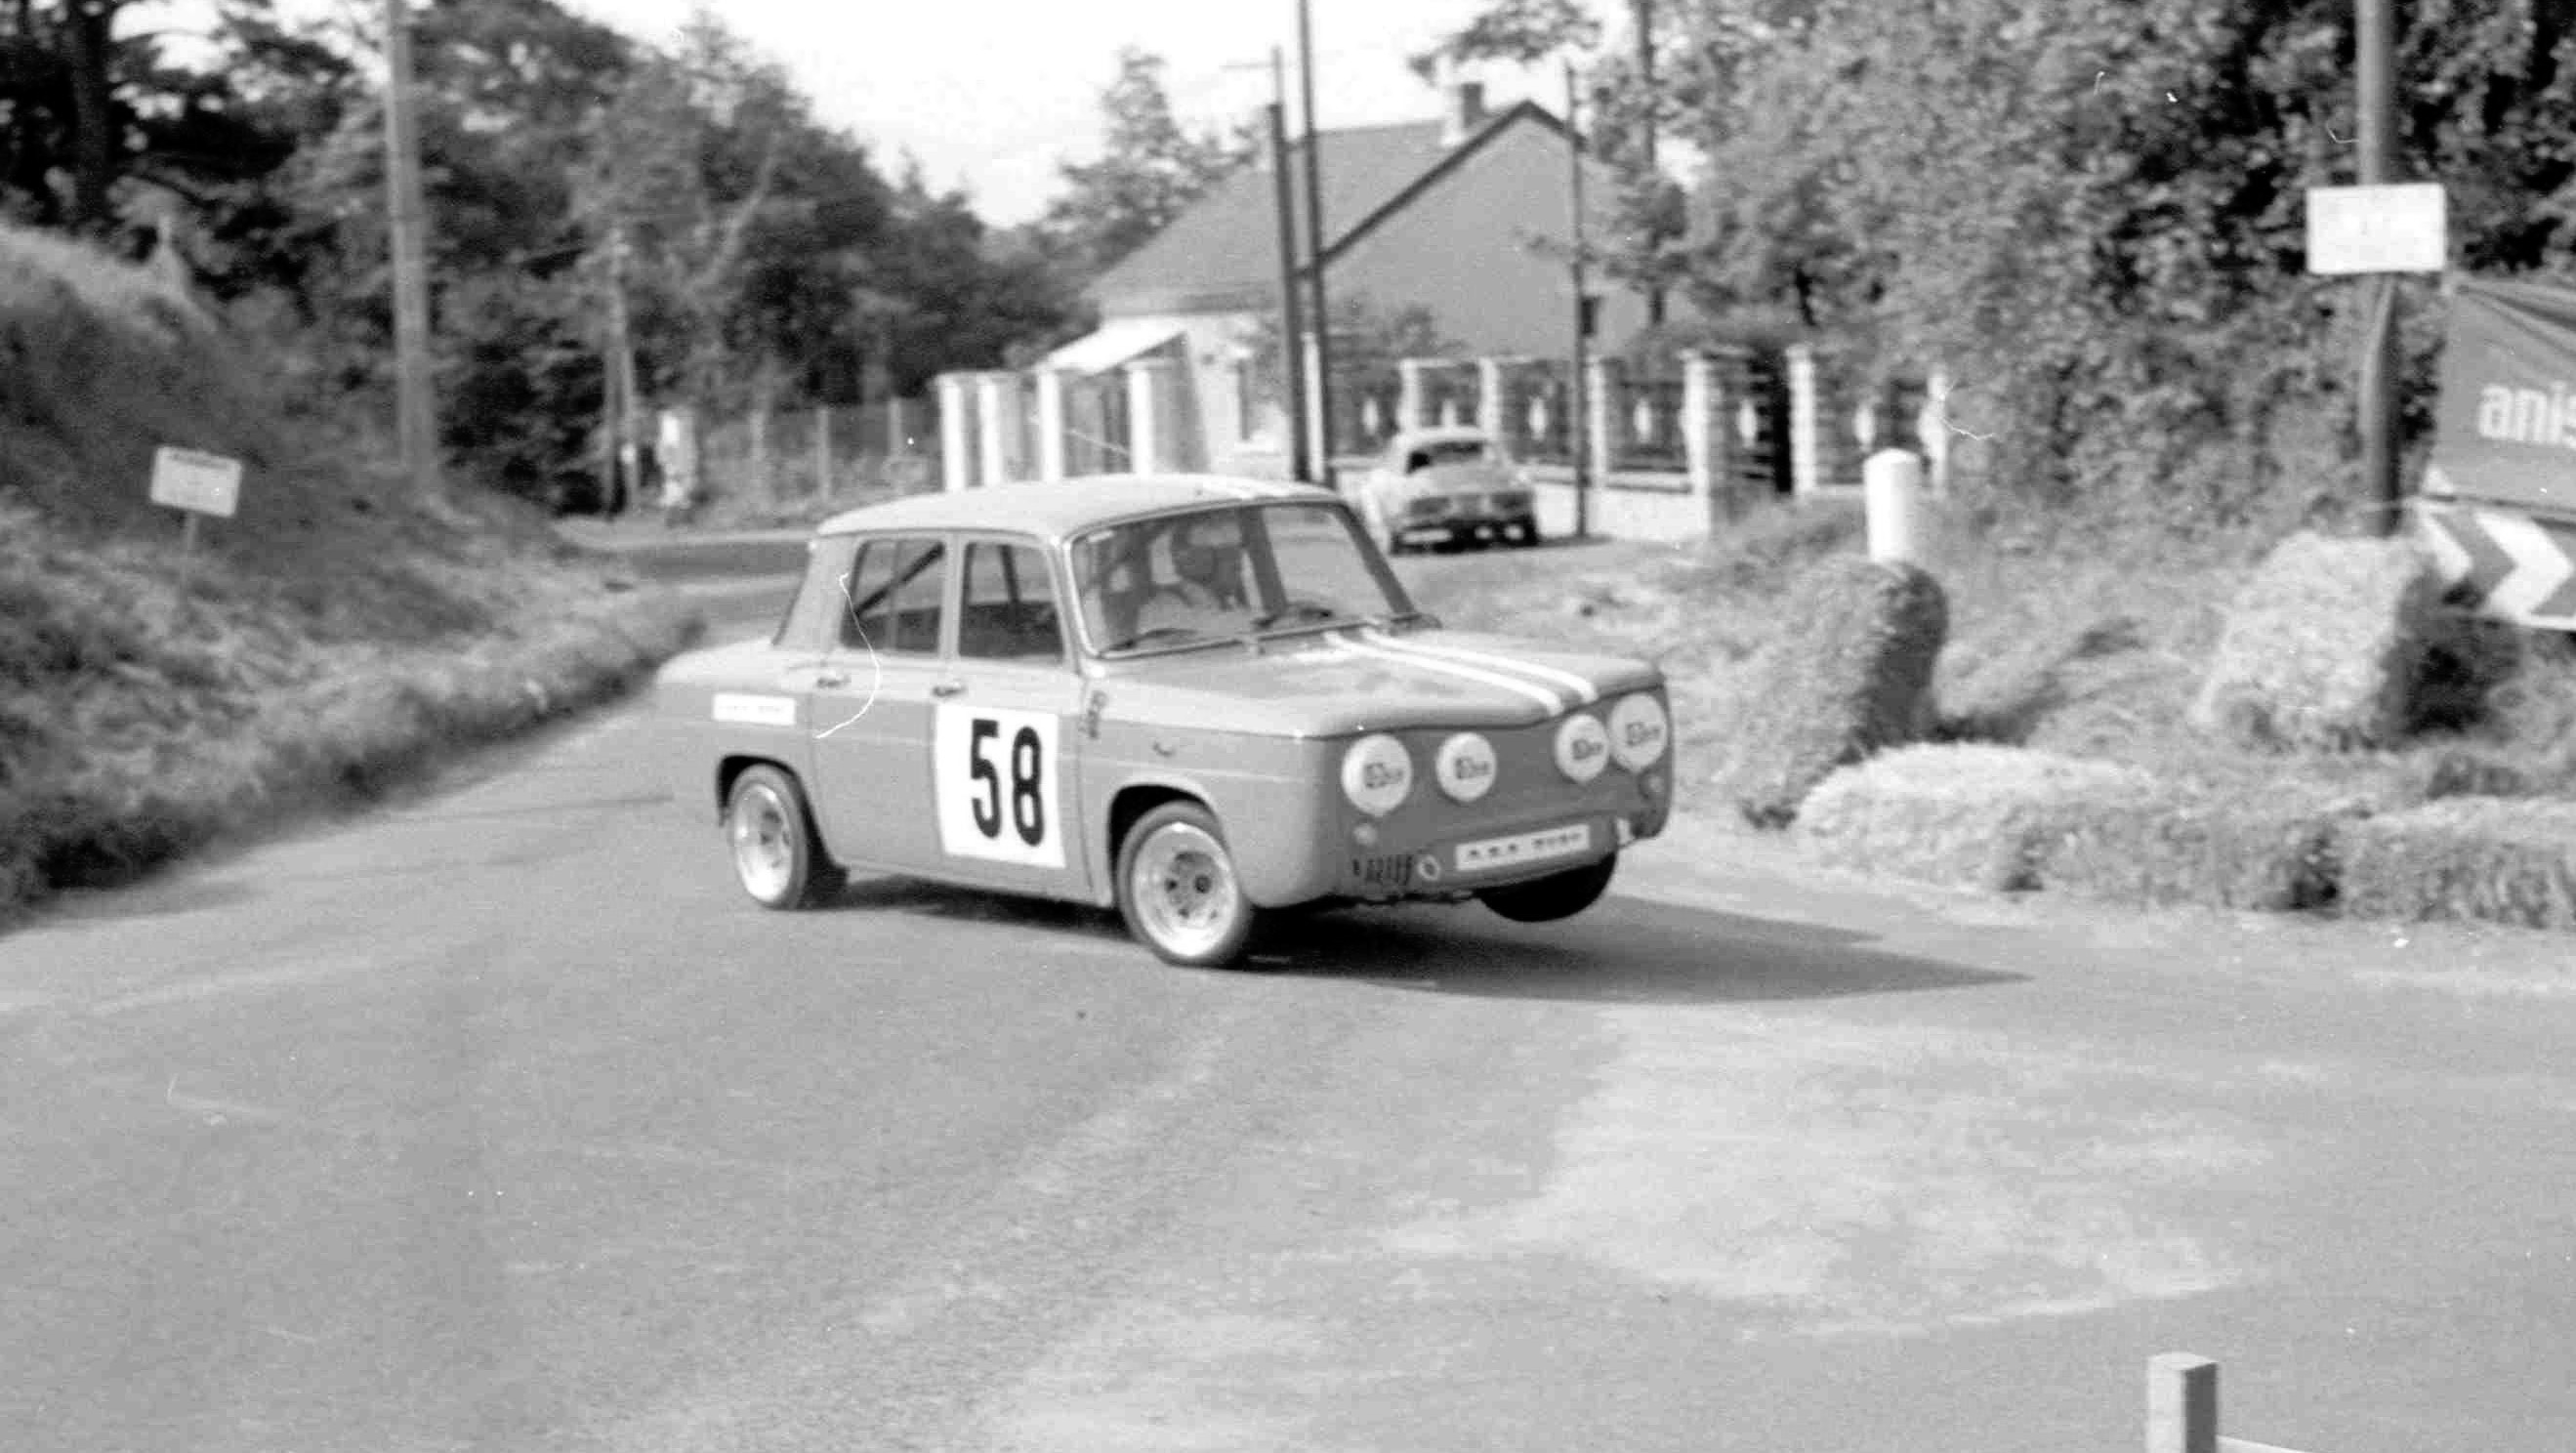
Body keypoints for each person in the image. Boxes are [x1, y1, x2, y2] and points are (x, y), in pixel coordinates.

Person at [1132, 518, 1247, 637]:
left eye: (1237, 549)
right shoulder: (1162, 612)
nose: (1238, 560)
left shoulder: (1232, 606)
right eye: (1225, 552)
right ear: (1192, 559)